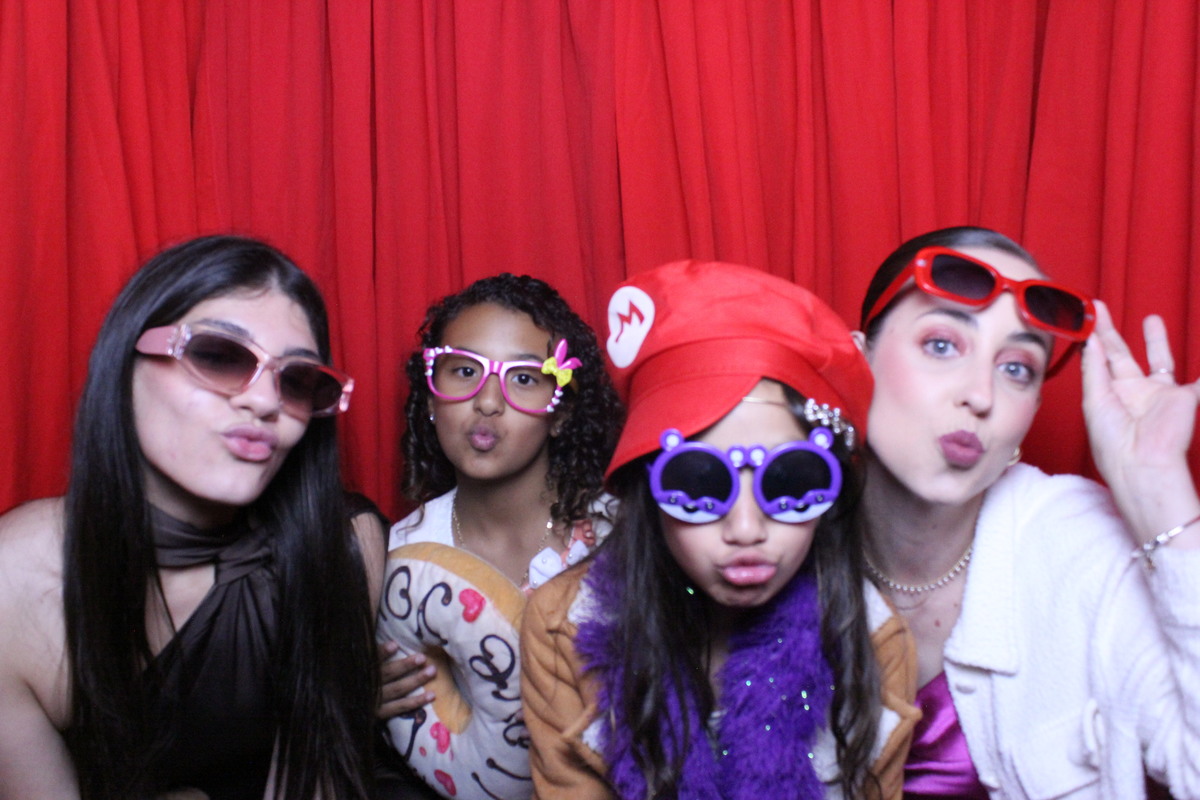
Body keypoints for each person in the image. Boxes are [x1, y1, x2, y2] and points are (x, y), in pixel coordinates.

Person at [0, 235, 385, 799]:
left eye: (296, 379)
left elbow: (319, 777)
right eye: (218, 355)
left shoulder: (345, 543)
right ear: (124, 360)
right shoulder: (12, 582)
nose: (265, 402)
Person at [520, 260, 919, 800]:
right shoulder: (560, 631)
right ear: (647, 490)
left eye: (791, 480)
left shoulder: (872, 642)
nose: (747, 529)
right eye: (699, 481)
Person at [854, 226, 1200, 798]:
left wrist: (1159, 488)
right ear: (857, 359)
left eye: (1016, 368)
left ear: (1032, 409)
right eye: (941, 345)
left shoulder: (1080, 549)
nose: (981, 395)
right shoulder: (778, 527)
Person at [376, 273, 622, 789]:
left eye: (525, 378)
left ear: (561, 413)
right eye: (465, 371)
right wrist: (360, 700)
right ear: (430, 397)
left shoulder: (621, 536)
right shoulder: (397, 559)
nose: (488, 401)